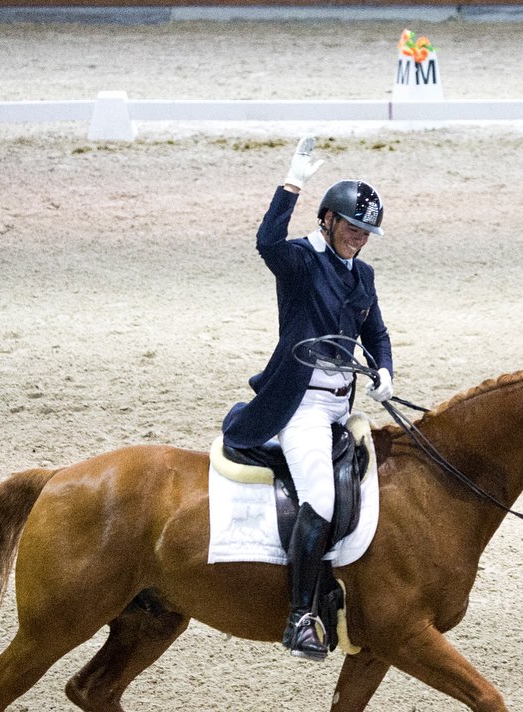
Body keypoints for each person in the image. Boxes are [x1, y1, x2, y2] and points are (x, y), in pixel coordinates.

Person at [221, 136, 394, 661]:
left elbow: (377, 333)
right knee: (319, 495)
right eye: (350, 227)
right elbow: (266, 242)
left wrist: (385, 368)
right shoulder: (299, 261)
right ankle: (300, 618)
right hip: (302, 407)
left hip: (345, 407)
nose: (358, 238)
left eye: (366, 232)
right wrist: (291, 182)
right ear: (326, 221)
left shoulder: (362, 274)